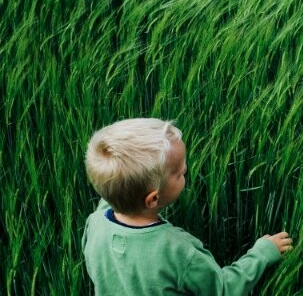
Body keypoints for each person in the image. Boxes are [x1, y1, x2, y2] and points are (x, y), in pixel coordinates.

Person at [82, 118, 292, 295]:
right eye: (180, 173)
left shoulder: (96, 222)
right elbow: (223, 289)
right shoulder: (177, 251)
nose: (187, 170)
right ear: (153, 199)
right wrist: (262, 253)